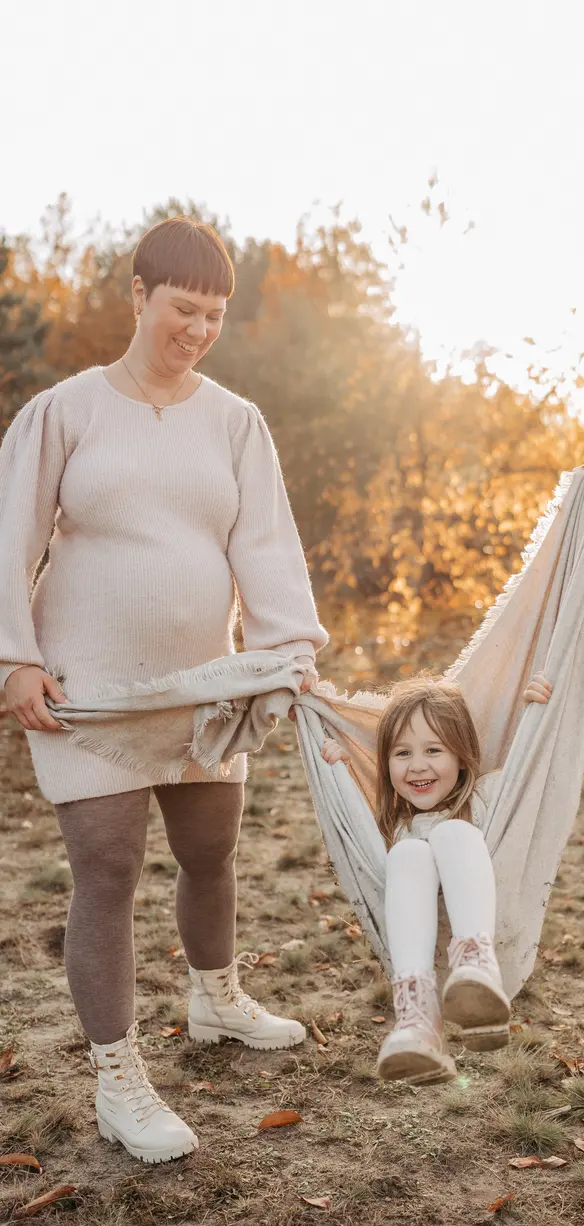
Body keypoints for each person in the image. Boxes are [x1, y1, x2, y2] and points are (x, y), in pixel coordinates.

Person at [0, 218, 327, 1162]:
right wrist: (13, 659)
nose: (197, 330)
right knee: (107, 872)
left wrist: (285, 649)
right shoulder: (64, 411)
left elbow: (265, 543)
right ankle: (118, 1079)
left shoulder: (234, 421)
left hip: (204, 690)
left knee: (211, 853)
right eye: (184, 308)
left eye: (214, 315)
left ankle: (216, 1000)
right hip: (90, 693)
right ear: (139, 295)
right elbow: (10, 538)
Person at [322, 673, 552, 1083]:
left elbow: (531, 767)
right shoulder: (394, 830)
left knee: (452, 832)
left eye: (433, 749)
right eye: (402, 753)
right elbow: (356, 837)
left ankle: (476, 964)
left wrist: (537, 713)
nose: (417, 766)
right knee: (407, 853)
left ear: (462, 756)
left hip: (490, 923)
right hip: (422, 948)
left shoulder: (488, 799)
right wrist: (338, 772)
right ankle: (417, 1016)